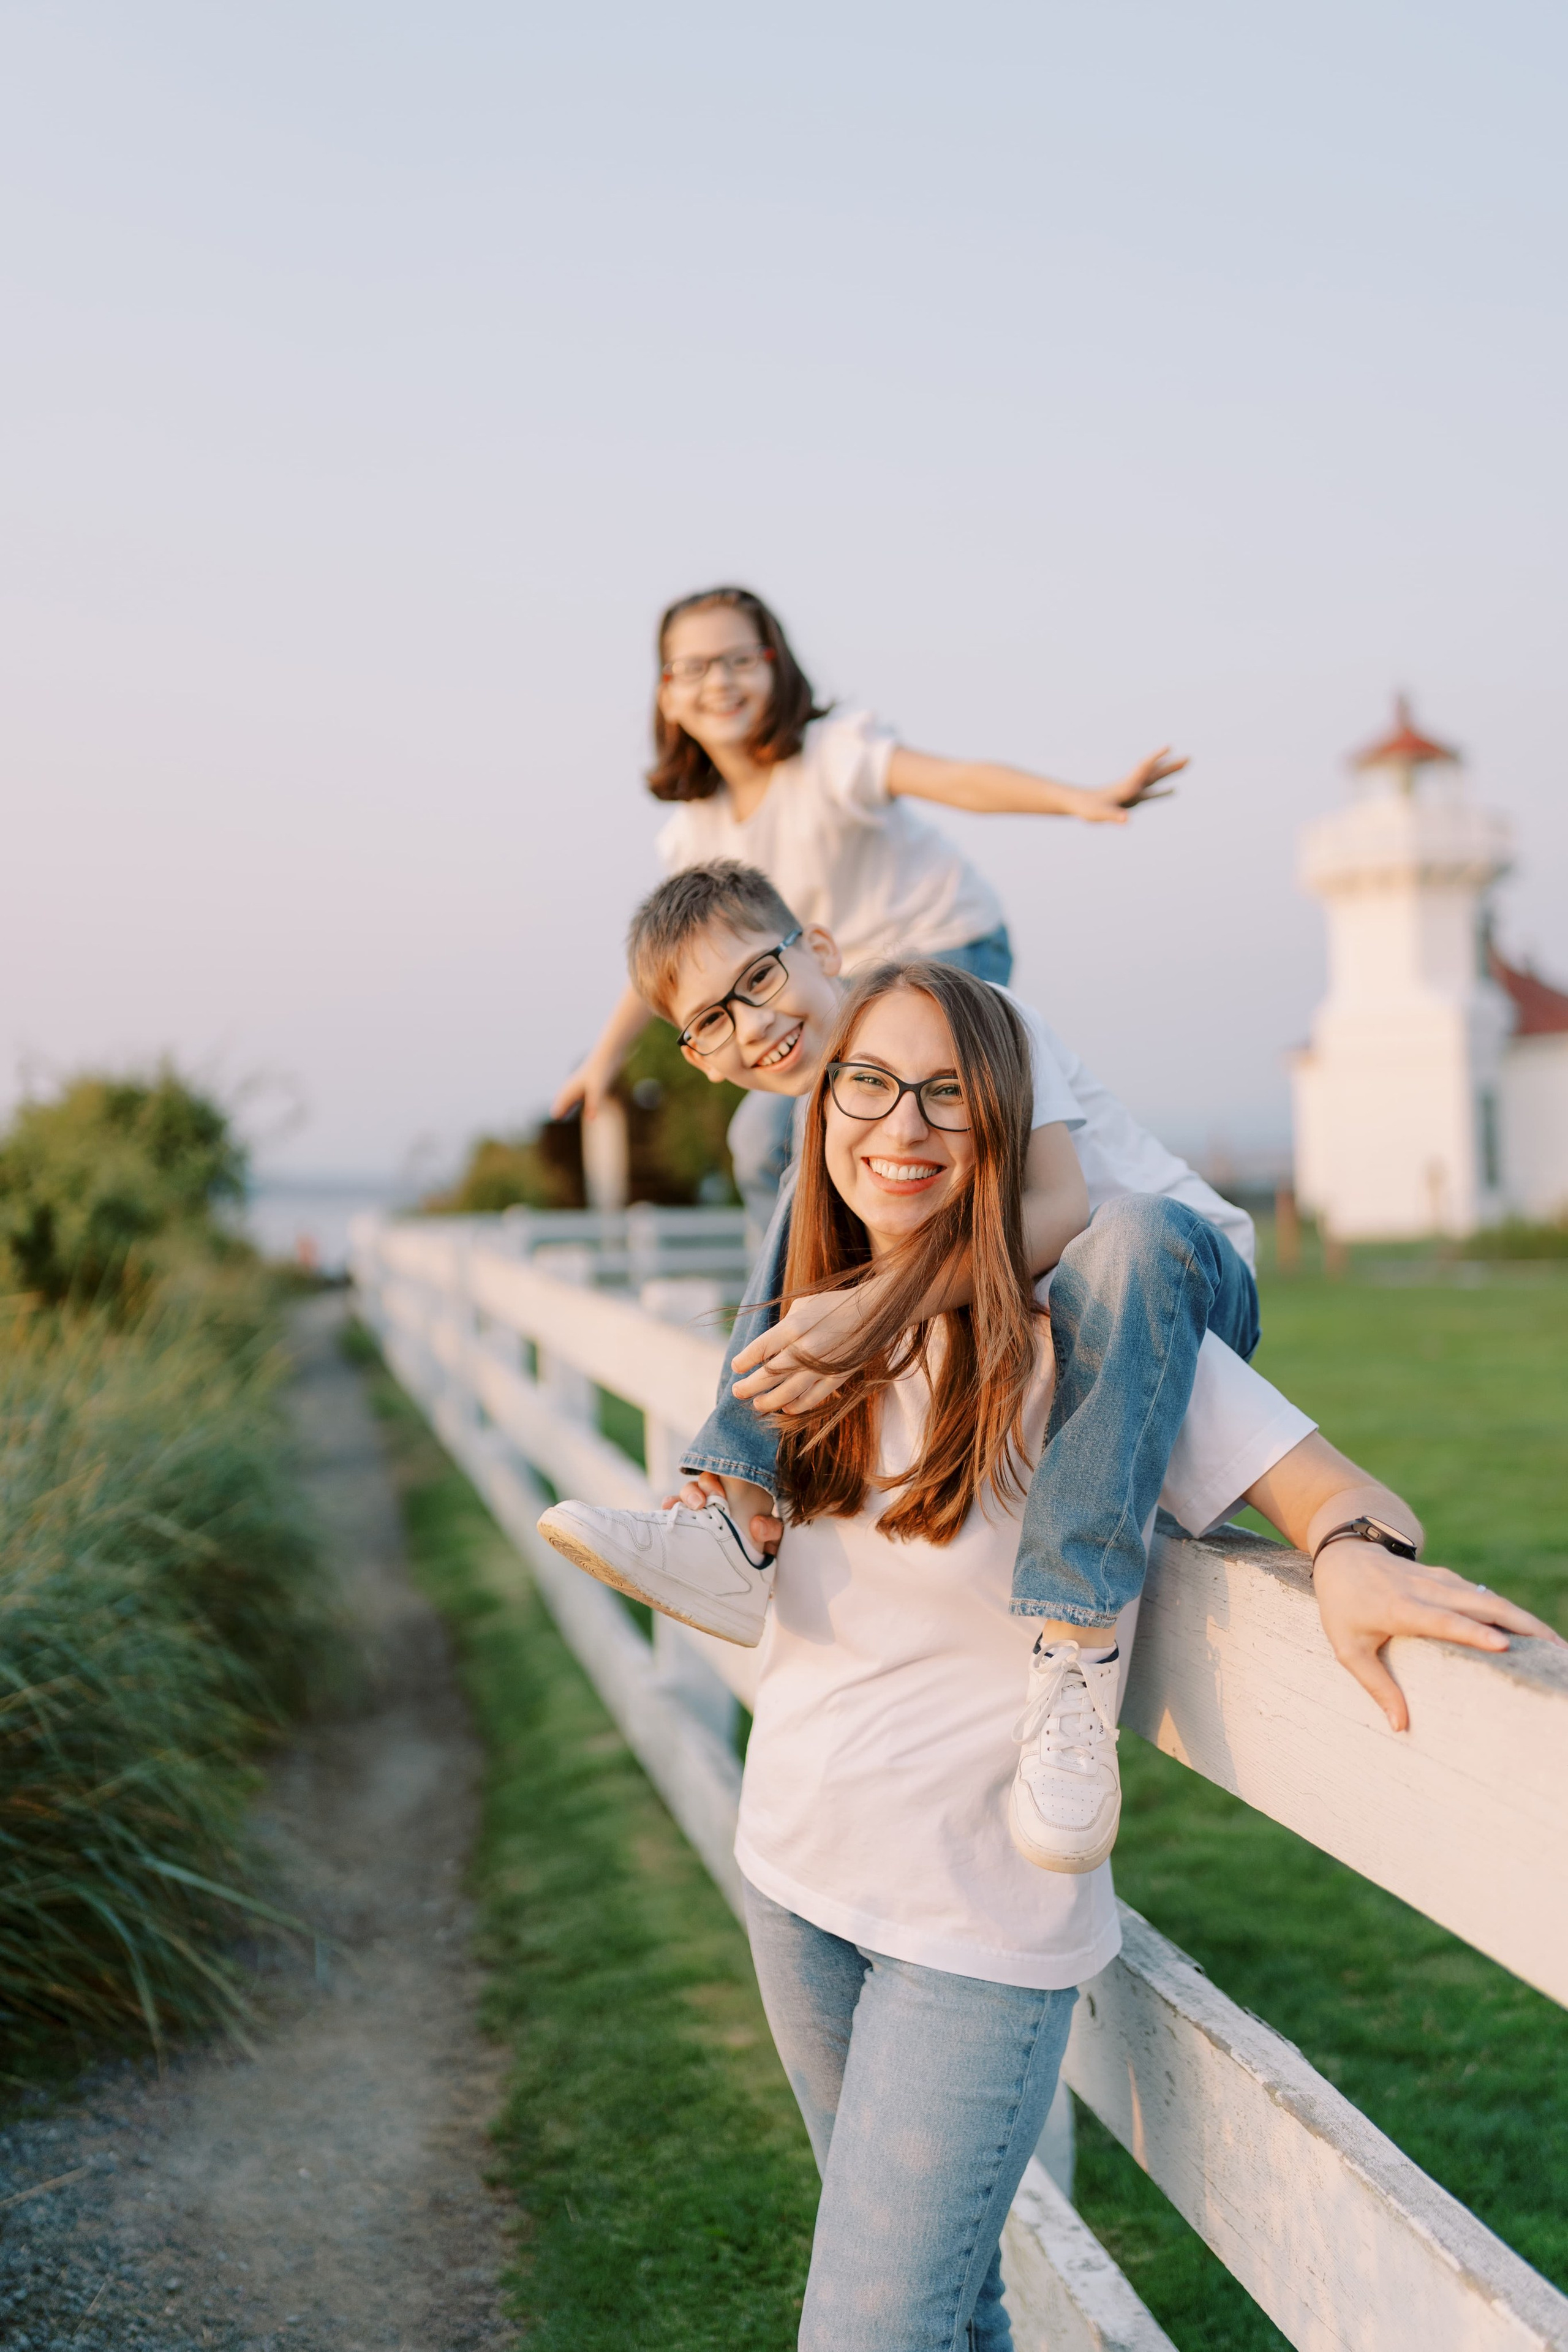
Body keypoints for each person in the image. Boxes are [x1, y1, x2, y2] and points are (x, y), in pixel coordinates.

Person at [571, 962, 1558, 2352]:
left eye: (947, 1097)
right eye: (865, 1083)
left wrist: (1349, 1560)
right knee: (954, 2306)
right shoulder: (812, 1323)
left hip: (971, 1924)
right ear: (820, 1108)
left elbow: (1331, 1490)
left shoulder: (1093, 1328)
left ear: (1006, 1132)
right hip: (792, 1868)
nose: (899, 1124)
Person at [540, 861, 1262, 1872]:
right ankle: (734, 1512)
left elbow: (1062, 1211)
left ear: (821, 951)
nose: (751, 1027)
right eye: (710, 1022)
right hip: (1045, 1292)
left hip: (1175, 1270)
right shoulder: (840, 1124)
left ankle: (1073, 1648)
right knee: (810, 1169)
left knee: (1091, 1236)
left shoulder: (970, 1015)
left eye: (757, 980)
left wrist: (869, 1310)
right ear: (700, 1058)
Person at [551, 584, 1183, 1239]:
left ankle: (888, 1282)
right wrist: (604, 1060)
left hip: (946, 940)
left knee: (797, 1122)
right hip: (831, 982)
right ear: (666, 692)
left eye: (740, 659)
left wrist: (1075, 799)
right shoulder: (695, 829)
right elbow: (674, 964)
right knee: (761, 1141)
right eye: (694, 667)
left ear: (775, 665)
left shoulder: (829, 755)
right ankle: (813, 1289)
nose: (719, 681)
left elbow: (954, 779)